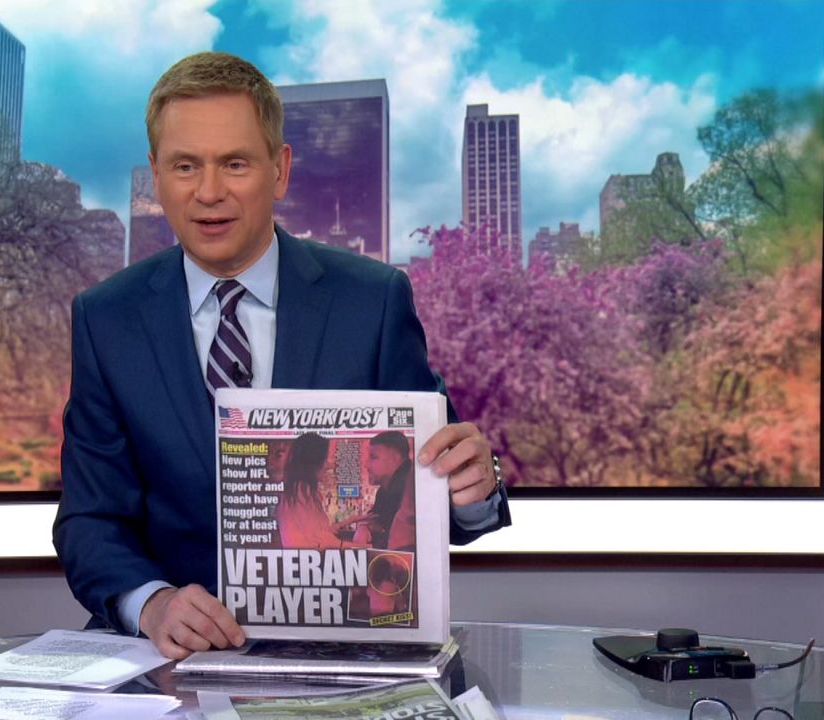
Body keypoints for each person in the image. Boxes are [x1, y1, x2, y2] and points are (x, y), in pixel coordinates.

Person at [53, 51, 511, 660]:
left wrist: (470, 489)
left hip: (340, 658)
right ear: (156, 177)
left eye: (235, 163)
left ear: (280, 169)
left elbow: (435, 508)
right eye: (185, 165)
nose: (209, 192)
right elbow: (89, 520)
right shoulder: (106, 319)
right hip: (171, 666)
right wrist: (154, 603)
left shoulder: (371, 302)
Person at [274, 433, 344, 549]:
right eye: (325, 459)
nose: (328, 466)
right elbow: (320, 541)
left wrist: (351, 521)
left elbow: (317, 533)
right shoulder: (301, 493)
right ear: (312, 463)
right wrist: (365, 547)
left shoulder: (301, 492)